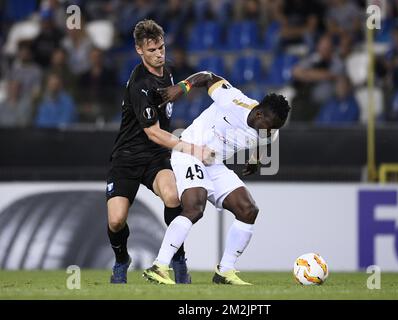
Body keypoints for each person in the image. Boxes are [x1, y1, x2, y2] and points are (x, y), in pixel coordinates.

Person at [142, 71, 291, 285]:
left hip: (214, 163)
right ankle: (159, 266)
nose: (270, 131)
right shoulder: (233, 101)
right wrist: (182, 88)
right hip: (190, 152)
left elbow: (267, 140)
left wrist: (256, 159)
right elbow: (207, 76)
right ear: (259, 114)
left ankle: (224, 272)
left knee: (248, 209)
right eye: (270, 126)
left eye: (275, 128)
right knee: (195, 207)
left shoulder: (270, 129)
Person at [106, 19, 214, 284]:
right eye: (152, 50)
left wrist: (190, 85)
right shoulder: (140, 84)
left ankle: (178, 260)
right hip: (127, 157)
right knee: (117, 221)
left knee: (172, 196)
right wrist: (194, 149)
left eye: (161, 47)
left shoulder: (167, 71)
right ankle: (121, 260)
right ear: (139, 50)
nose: (159, 53)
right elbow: (153, 132)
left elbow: (181, 87)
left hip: (155, 157)